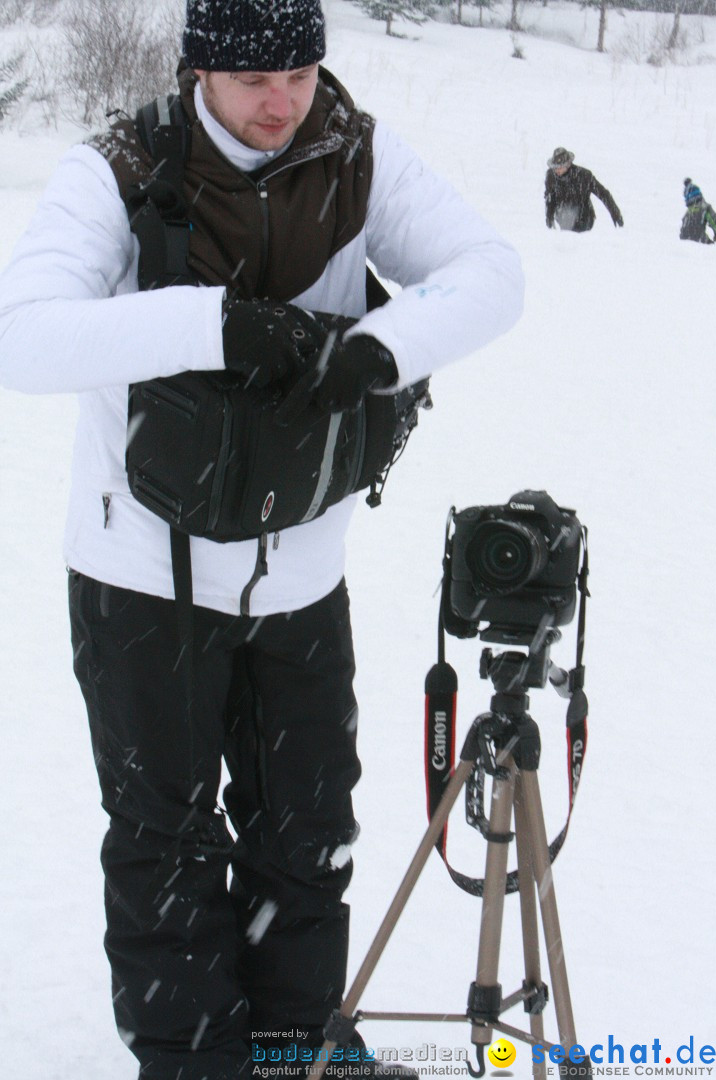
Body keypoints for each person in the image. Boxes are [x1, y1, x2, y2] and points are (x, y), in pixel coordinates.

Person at [0, 2, 523, 1078]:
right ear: (199, 71)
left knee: (308, 832)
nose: (283, 100)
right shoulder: (121, 168)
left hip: (301, 577)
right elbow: (24, 332)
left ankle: (292, 1054)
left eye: (299, 69)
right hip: (142, 576)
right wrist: (215, 324)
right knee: (167, 843)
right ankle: (194, 1065)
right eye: (254, 80)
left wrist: (380, 350)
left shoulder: (354, 154)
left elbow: (491, 271)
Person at [544, 147, 623, 232]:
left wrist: (615, 214)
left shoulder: (584, 176)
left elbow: (603, 194)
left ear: (568, 164)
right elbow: (550, 198)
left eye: (560, 167)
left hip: (583, 218)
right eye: (555, 167)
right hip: (563, 216)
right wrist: (549, 216)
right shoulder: (551, 176)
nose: (557, 170)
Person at [679, 178, 716, 243]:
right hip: (700, 239)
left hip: (684, 241)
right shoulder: (704, 207)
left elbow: (683, 230)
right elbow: (713, 222)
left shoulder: (687, 213)